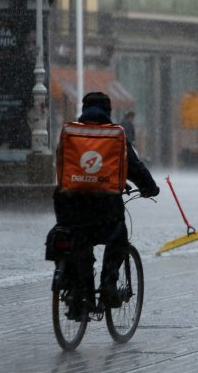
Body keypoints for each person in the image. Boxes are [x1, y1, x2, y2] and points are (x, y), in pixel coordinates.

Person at [52, 91, 159, 312]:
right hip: (104, 206)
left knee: (75, 238)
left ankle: (77, 288)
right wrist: (149, 188)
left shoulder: (69, 133)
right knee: (117, 238)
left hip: (69, 204)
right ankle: (109, 284)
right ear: (108, 111)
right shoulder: (115, 135)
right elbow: (135, 168)